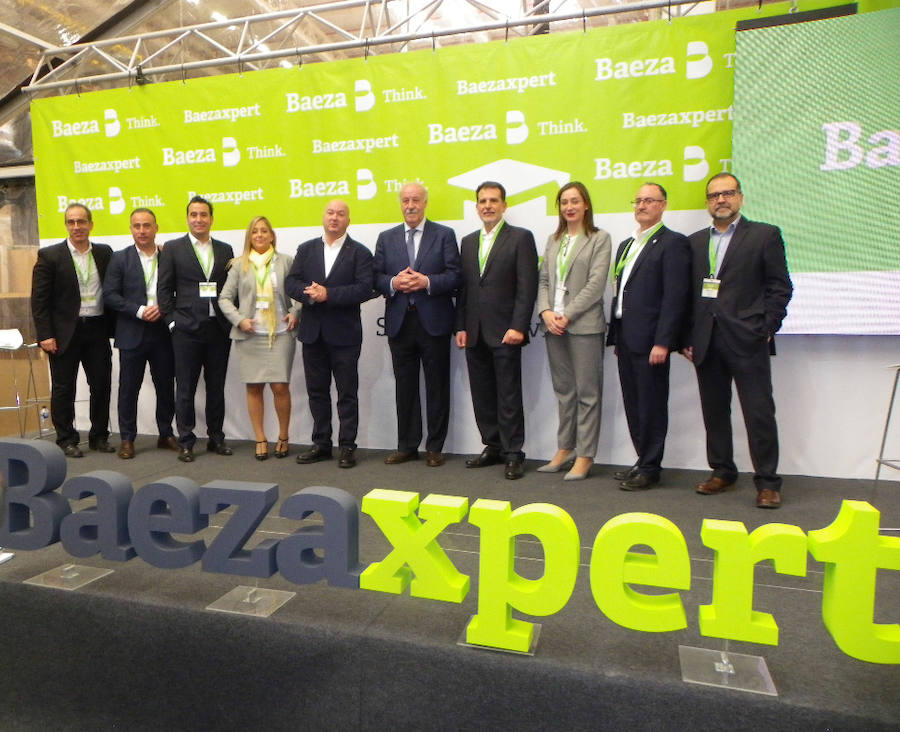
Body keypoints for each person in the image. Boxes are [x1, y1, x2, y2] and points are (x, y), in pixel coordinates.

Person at [683, 172, 792, 509]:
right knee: (714, 411)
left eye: (728, 193)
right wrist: (687, 337)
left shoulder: (764, 235)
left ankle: (768, 482)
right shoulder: (695, 242)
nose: (721, 200)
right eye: (714, 195)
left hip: (747, 339)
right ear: (707, 203)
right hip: (706, 341)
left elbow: (780, 287)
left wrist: (766, 327)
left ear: (740, 198)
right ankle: (723, 471)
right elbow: (688, 295)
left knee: (758, 412)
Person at [606, 183, 690, 490]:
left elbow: (674, 297)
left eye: (649, 200)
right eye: (638, 200)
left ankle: (651, 467)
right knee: (633, 403)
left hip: (652, 341)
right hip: (627, 337)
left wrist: (663, 341)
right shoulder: (627, 245)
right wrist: (615, 336)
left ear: (663, 205)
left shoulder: (672, 243)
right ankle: (641, 460)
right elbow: (620, 294)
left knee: (652, 404)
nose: (642, 205)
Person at [373, 182, 461, 468]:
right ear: (400, 204)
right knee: (405, 388)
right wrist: (393, 283)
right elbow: (375, 278)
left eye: (416, 200)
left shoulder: (444, 235)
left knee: (437, 386)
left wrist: (427, 282)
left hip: (433, 322)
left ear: (425, 203)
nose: (410, 205)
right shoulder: (386, 238)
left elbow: (456, 276)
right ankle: (407, 445)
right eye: (405, 200)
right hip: (400, 323)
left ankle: (435, 447)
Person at [455, 181, 538, 480]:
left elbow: (526, 288)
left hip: (506, 332)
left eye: (493, 200)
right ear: (476, 206)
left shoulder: (520, 238)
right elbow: (464, 289)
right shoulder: (467, 241)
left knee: (508, 395)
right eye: (482, 201)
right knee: (482, 395)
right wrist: (461, 325)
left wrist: (518, 326)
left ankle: (514, 453)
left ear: (504, 205)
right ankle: (493, 445)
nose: (487, 205)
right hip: (474, 331)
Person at [285, 199, 373, 469]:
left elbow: (364, 288)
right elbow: (291, 282)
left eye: (341, 214)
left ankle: (347, 446)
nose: (335, 218)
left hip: (345, 335)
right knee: (317, 392)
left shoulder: (360, 253)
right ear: (324, 217)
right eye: (330, 213)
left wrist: (329, 294)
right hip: (313, 334)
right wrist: (310, 296)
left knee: (347, 393)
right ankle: (321, 444)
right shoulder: (307, 249)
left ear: (348, 220)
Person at [536, 182, 611, 481]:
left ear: (586, 205)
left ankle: (585, 455)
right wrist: (545, 312)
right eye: (564, 202)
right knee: (565, 392)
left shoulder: (599, 239)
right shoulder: (554, 240)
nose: (569, 207)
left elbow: (596, 284)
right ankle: (564, 448)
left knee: (588, 394)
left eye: (575, 201)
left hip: (584, 326)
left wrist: (567, 315)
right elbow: (543, 280)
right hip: (554, 326)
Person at [31, 203, 115, 457]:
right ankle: (66, 438)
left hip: (97, 329)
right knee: (63, 387)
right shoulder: (50, 255)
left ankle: (99, 436)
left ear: (91, 224)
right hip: (65, 333)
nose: (77, 227)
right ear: (66, 225)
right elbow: (39, 300)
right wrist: (45, 334)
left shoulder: (104, 252)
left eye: (81, 221)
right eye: (71, 222)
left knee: (101, 385)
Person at [157, 195, 234, 463]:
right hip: (186, 330)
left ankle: (216, 438)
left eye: (203, 215)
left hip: (218, 329)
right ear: (188, 218)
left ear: (211, 219)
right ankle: (186, 441)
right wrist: (172, 321)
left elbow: (230, 289)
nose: (199, 219)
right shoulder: (173, 249)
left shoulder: (225, 250)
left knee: (217, 387)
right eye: (194, 215)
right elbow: (164, 289)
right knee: (185, 388)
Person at [219, 216, 299, 461]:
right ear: (249, 237)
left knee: (280, 387)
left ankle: (283, 437)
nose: (260, 235)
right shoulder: (239, 265)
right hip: (250, 336)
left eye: (265, 231)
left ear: (272, 235)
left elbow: (297, 293)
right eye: (255, 232)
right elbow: (224, 298)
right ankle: (261, 438)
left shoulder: (286, 261)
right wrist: (240, 319)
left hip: (281, 334)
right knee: (254, 387)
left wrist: (295, 312)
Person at [103, 208, 178, 459]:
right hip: (131, 331)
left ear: (156, 228)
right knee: (128, 389)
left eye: (147, 225)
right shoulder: (119, 258)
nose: (142, 231)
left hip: (163, 332)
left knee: (166, 386)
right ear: (131, 229)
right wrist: (138, 310)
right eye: (137, 226)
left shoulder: (168, 257)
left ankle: (166, 434)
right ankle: (127, 439)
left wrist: (165, 309)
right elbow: (111, 295)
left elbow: (181, 290)